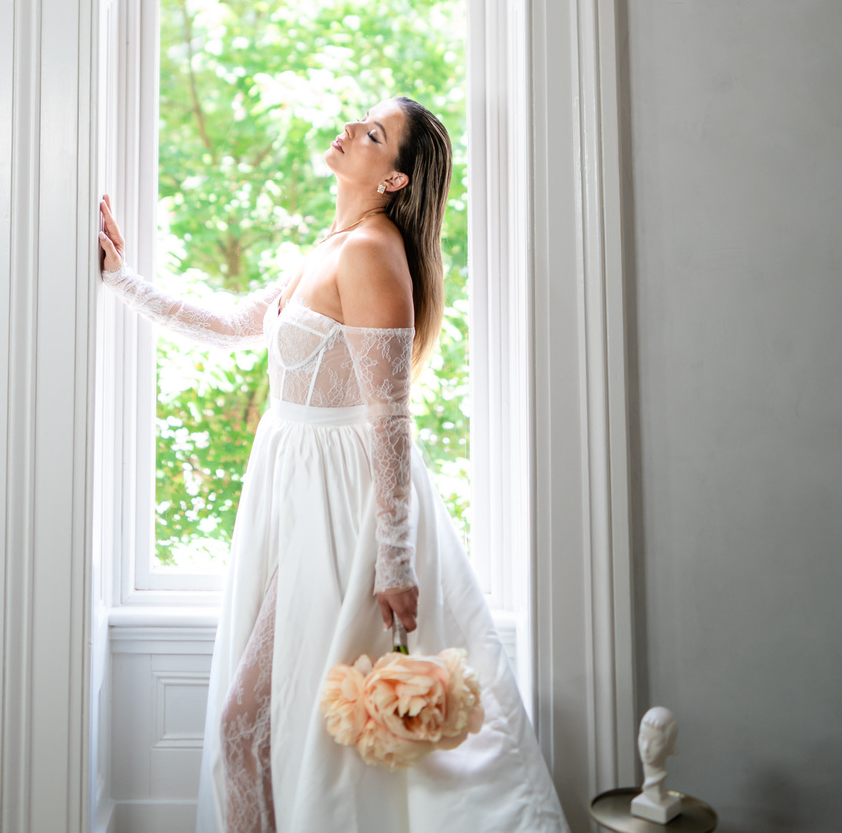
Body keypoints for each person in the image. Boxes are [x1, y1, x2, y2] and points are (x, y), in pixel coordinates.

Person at [99, 96, 567, 833]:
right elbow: (226, 326)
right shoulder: (330, 245)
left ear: (394, 180)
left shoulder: (372, 253)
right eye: (360, 121)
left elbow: (390, 414)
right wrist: (119, 278)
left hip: (343, 509)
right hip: (295, 493)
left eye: (374, 134)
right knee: (262, 727)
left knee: (249, 724)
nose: (350, 129)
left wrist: (394, 560)